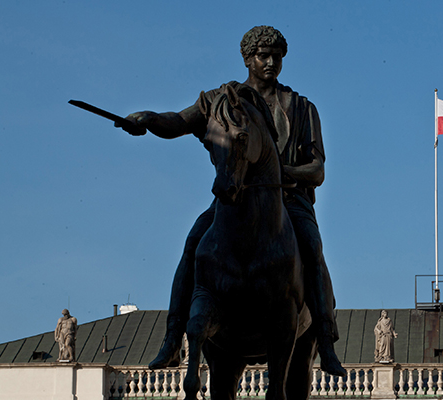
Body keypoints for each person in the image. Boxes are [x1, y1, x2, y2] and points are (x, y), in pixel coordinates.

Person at [117, 25, 345, 376]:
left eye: (277, 56)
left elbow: (317, 170)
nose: (271, 62)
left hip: (287, 201)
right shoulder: (219, 101)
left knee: (312, 246)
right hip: (233, 199)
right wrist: (148, 120)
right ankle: (173, 337)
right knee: (193, 242)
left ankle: (326, 341)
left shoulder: (301, 108)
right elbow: (178, 122)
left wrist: (279, 171)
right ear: (247, 59)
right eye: (263, 56)